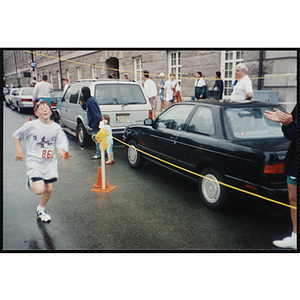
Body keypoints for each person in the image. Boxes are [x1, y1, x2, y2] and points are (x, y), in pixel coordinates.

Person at [12, 100, 69, 223]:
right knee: (39, 190)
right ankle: (31, 178)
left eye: (46, 108)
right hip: (35, 161)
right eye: (41, 108)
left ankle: (41, 209)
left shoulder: (56, 127)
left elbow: (61, 140)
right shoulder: (31, 125)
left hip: (49, 162)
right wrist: (18, 149)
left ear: (50, 111)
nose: (44, 110)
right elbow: (16, 135)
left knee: (49, 189)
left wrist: (61, 149)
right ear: (36, 113)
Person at [264, 106, 297, 249]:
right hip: (295, 161)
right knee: (293, 199)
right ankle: (295, 237)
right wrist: (286, 124)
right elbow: (291, 135)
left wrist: (291, 123)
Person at [79, 86, 102, 159]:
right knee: (98, 139)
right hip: (96, 122)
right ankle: (101, 153)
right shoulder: (91, 99)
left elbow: (95, 113)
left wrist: (99, 122)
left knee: (97, 139)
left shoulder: (90, 101)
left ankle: (98, 154)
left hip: (96, 123)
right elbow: (88, 108)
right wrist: (83, 105)